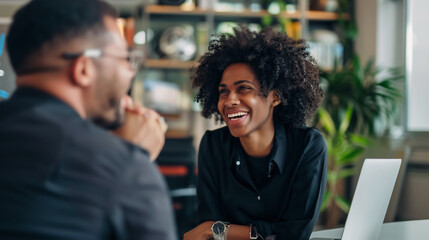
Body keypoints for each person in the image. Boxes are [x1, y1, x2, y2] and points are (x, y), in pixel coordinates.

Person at [0, 0, 176, 239]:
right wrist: (131, 160)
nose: (130, 72)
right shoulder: (124, 168)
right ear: (83, 69)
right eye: (125, 58)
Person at [184, 26, 328, 240]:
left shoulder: (307, 146)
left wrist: (222, 230)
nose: (230, 100)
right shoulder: (213, 146)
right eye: (224, 91)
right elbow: (208, 229)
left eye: (243, 88)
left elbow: (295, 234)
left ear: (275, 97)